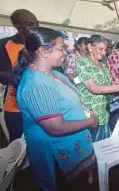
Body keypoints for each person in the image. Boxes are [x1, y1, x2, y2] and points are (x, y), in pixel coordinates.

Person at [12, 27, 98, 191]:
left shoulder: (53, 73)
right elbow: (54, 127)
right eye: (61, 48)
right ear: (43, 51)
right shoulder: (36, 84)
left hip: (70, 146)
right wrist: (89, 121)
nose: (64, 53)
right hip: (55, 153)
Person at [75, 35, 119, 141]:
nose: (104, 53)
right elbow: (94, 88)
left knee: (103, 146)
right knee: (93, 147)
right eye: (100, 49)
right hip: (91, 116)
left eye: (105, 49)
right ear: (89, 46)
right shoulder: (82, 64)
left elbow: (110, 87)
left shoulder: (103, 66)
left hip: (104, 113)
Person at [0, 9, 39, 142]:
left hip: (37, 107)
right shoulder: (4, 45)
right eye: (31, 24)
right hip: (14, 108)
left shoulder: (38, 44)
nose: (35, 27)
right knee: (17, 147)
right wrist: (19, 75)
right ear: (18, 26)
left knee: (37, 145)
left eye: (36, 23)